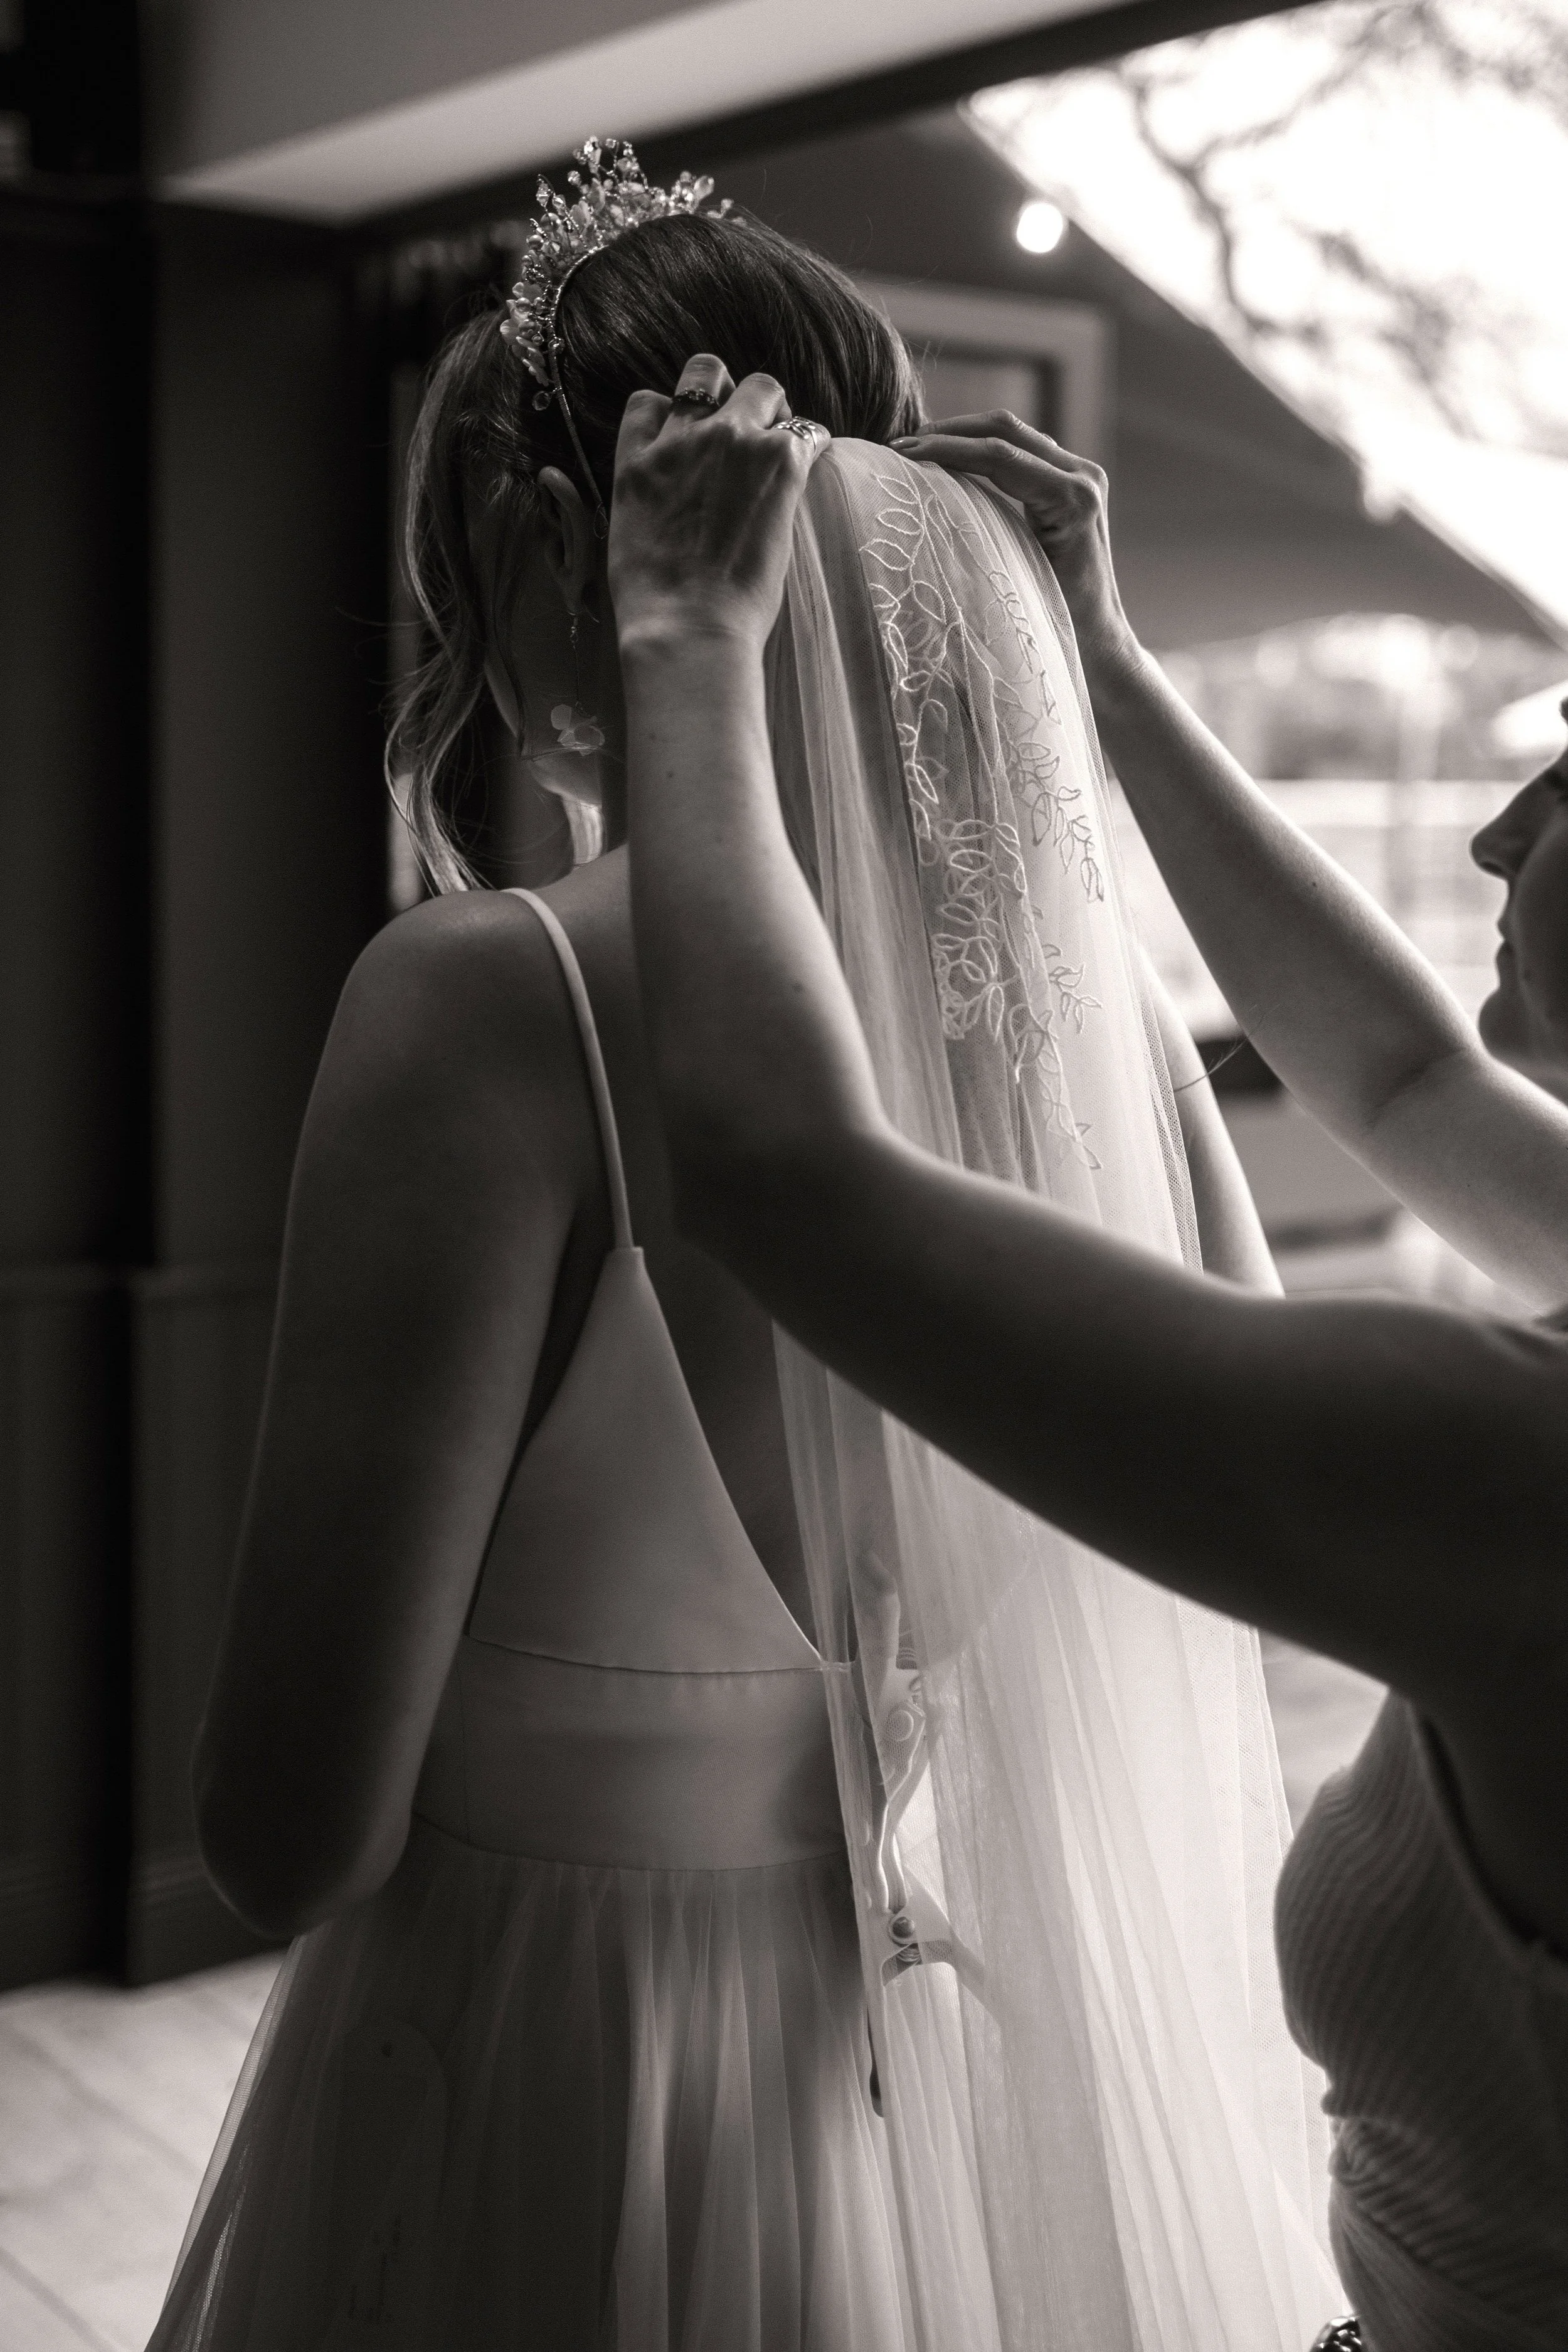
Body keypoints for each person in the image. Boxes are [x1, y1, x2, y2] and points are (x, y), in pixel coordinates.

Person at [150, 146, 1345, 2352]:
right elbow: (1214, 1584)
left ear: (534, 546)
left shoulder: (489, 1001)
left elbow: (288, 1832)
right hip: (903, 2136)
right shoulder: (1088, 1044)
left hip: (535, 2099)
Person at [616, 362, 1568, 2352]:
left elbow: (787, 1182)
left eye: (1567, 777)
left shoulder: (1507, 1470)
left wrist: (684, 648)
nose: (1488, 836)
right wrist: (1105, 662)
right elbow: (1397, 1074)